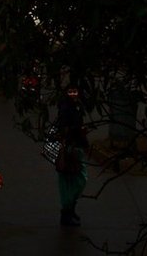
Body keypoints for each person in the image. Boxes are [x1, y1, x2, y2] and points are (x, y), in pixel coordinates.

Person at [54, 87, 88, 228]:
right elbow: (64, 128)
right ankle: (67, 213)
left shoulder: (76, 106)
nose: (74, 94)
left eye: (76, 91)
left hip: (75, 147)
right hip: (70, 149)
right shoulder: (67, 108)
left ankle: (70, 211)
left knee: (76, 180)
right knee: (73, 181)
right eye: (71, 92)